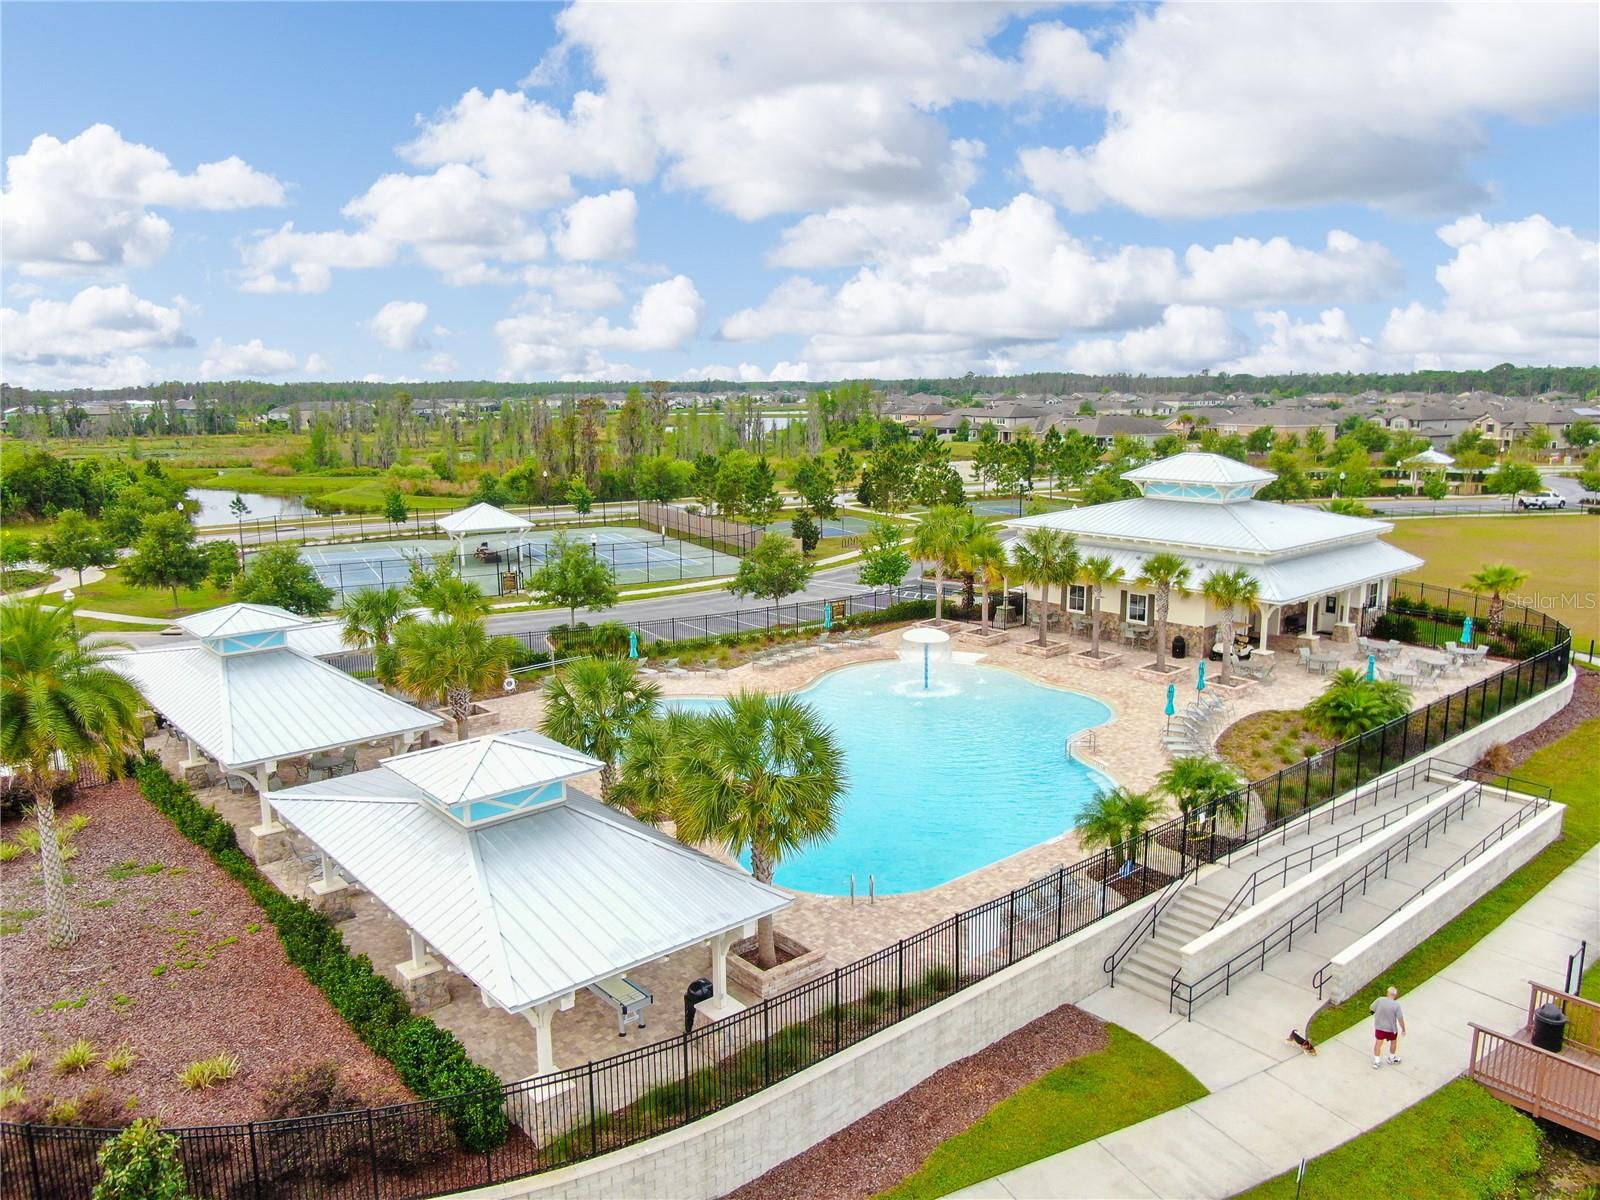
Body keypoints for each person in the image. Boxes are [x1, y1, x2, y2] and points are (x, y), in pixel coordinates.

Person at [1370, 986, 1407, 1067]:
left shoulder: (1379, 1000)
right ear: (1395, 995)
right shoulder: (1396, 1005)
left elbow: (1372, 1008)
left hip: (1379, 1027)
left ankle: (1376, 1061)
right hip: (1391, 1029)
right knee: (1393, 1042)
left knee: (1378, 1043)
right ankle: (1392, 1058)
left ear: (1387, 993)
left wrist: (1374, 1012)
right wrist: (1403, 1029)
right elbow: (1400, 1018)